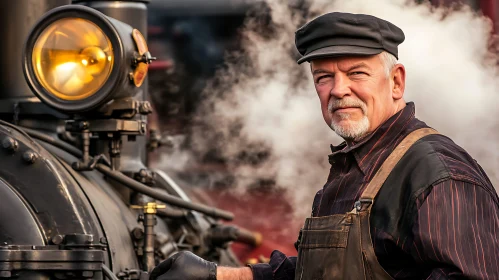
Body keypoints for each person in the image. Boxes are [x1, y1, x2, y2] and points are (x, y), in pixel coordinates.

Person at [149, 12, 499, 280]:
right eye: (324, 78)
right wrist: (224, 275)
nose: (338, 89)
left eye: (356, 73)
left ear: (396, 82)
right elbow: (324, 270)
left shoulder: (438, 175)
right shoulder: (357, 165)